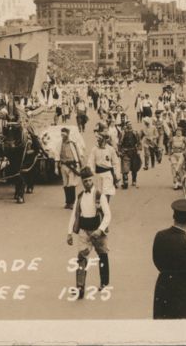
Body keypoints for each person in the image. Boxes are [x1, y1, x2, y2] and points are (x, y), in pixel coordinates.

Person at [152, 199, 186, 319]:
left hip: (163, 284)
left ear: (173, 215)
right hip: (181, 291)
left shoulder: (160, 235)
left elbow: (156, 260)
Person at [67, 168, 112, 298]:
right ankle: (80, 287)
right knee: (81, 257)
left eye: (89, 180)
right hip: (84, 231)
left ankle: (104, 282)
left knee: (102, 255)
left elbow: (108, 215)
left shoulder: (99, 195)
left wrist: (100, 230)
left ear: (92, 180)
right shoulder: (80, 196)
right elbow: (74, 215)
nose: (87, 183)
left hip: (98, 230)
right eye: (84, 181)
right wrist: (69, 233)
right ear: (82, 182)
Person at [87, 132, 119, 203]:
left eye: (100, 138)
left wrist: (116, 175)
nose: (98, 140)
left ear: (104, 139)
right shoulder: (94, 149)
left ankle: (105, 207)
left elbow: (116, 162)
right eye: (97, 138)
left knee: (107, 191)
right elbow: (91, 160)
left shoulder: (110, 149)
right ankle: (100, 207)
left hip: (108, 173)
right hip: (98, 173)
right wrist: (91, 170)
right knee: (98, 191)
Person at [58, 127, 83, 209]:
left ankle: (72, 202)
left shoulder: (72, 143)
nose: (62, 136)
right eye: (61, 134)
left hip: (71, 165)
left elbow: (77, 154)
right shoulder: (60, 143)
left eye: (64, 134)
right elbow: (57, 154)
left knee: (71, 184)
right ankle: (67, 202)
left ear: (67, 134)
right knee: (65, 184)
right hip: (63, 165)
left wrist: (79, 164)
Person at [118, 121, 142, 189]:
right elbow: (119, 143)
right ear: (126, 125)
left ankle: (134, 180)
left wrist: (139, 149)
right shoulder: (123, 133)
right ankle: (125, 182)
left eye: (130, 124)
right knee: (125, 168)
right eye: (128, 124)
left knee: (134, 167)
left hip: (134, 152)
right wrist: (120, 151)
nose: (130, 126)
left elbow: (139, 141)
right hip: (125, 152)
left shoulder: (135, 132)